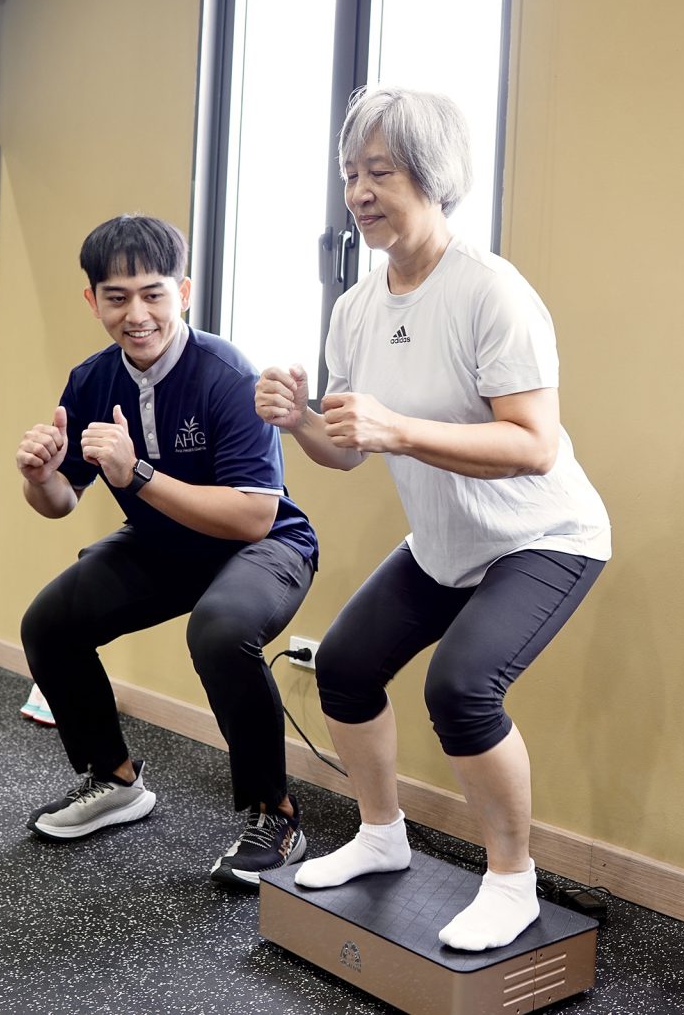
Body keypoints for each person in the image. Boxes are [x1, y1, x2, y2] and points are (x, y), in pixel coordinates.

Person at [255, 87, 610, 950]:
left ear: (434, 174)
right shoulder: (356, 309)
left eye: (379, 171)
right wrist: (300, 421)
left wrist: (398, 429)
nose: (359, 192)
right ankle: (382, 836)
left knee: (461, 688)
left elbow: (534, 445)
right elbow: (349, 450)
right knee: (344, 667)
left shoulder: (492, 292)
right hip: (447, 545)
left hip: (544, 536)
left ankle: (513, 881)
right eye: (350, 173)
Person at [16, 214, 318, 889]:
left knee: (221, 631)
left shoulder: (226, 373)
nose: (137, 314)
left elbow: (253, 516)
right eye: (117, 297)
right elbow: (63, 500)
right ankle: (114, 780)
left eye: (153, 294)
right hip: (164, 545)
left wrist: (139, 476)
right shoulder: (92, 381)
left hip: (267, 545)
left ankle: (277, 815)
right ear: (93, 301)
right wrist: (40, 478)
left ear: (181, 292)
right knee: (49, 623)